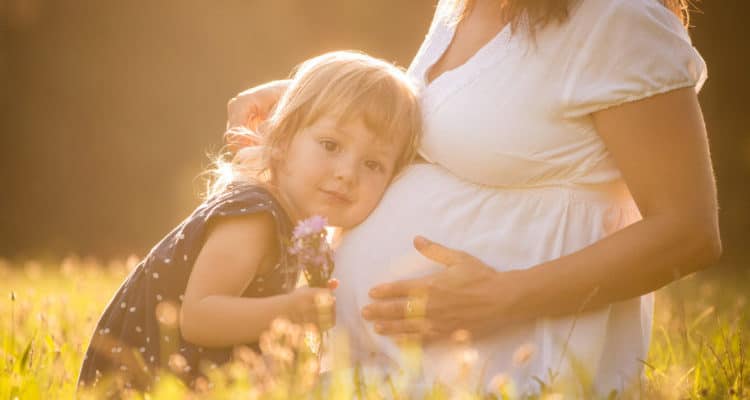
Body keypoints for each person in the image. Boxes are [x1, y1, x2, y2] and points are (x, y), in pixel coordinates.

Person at [227, 0, 721, 396]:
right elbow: (463, 113)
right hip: (384, 370)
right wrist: (312, 95)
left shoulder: (619, 20)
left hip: (515, 370)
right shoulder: (460, 6)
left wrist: (503, 297)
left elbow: (688, 232)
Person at [78, 50, 422, 394]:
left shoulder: (285, 222)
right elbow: (198, 318)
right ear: (282, 142)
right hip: (139, 383)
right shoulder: (255, 217)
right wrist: (289, 310)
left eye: (373, 164)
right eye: (330, 145)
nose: (347, 173)